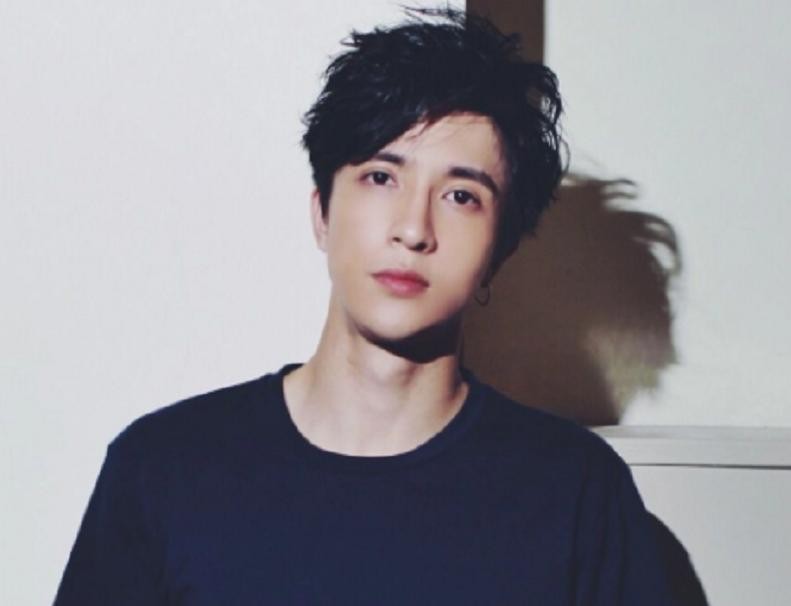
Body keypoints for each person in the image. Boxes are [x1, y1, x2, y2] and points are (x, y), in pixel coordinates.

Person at [54, 7, 672, 604]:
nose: (413, 229)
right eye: (381, 177)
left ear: (498, 252)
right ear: (322, 213)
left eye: (461, 196)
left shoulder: (576, 493)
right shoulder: (163, 469)